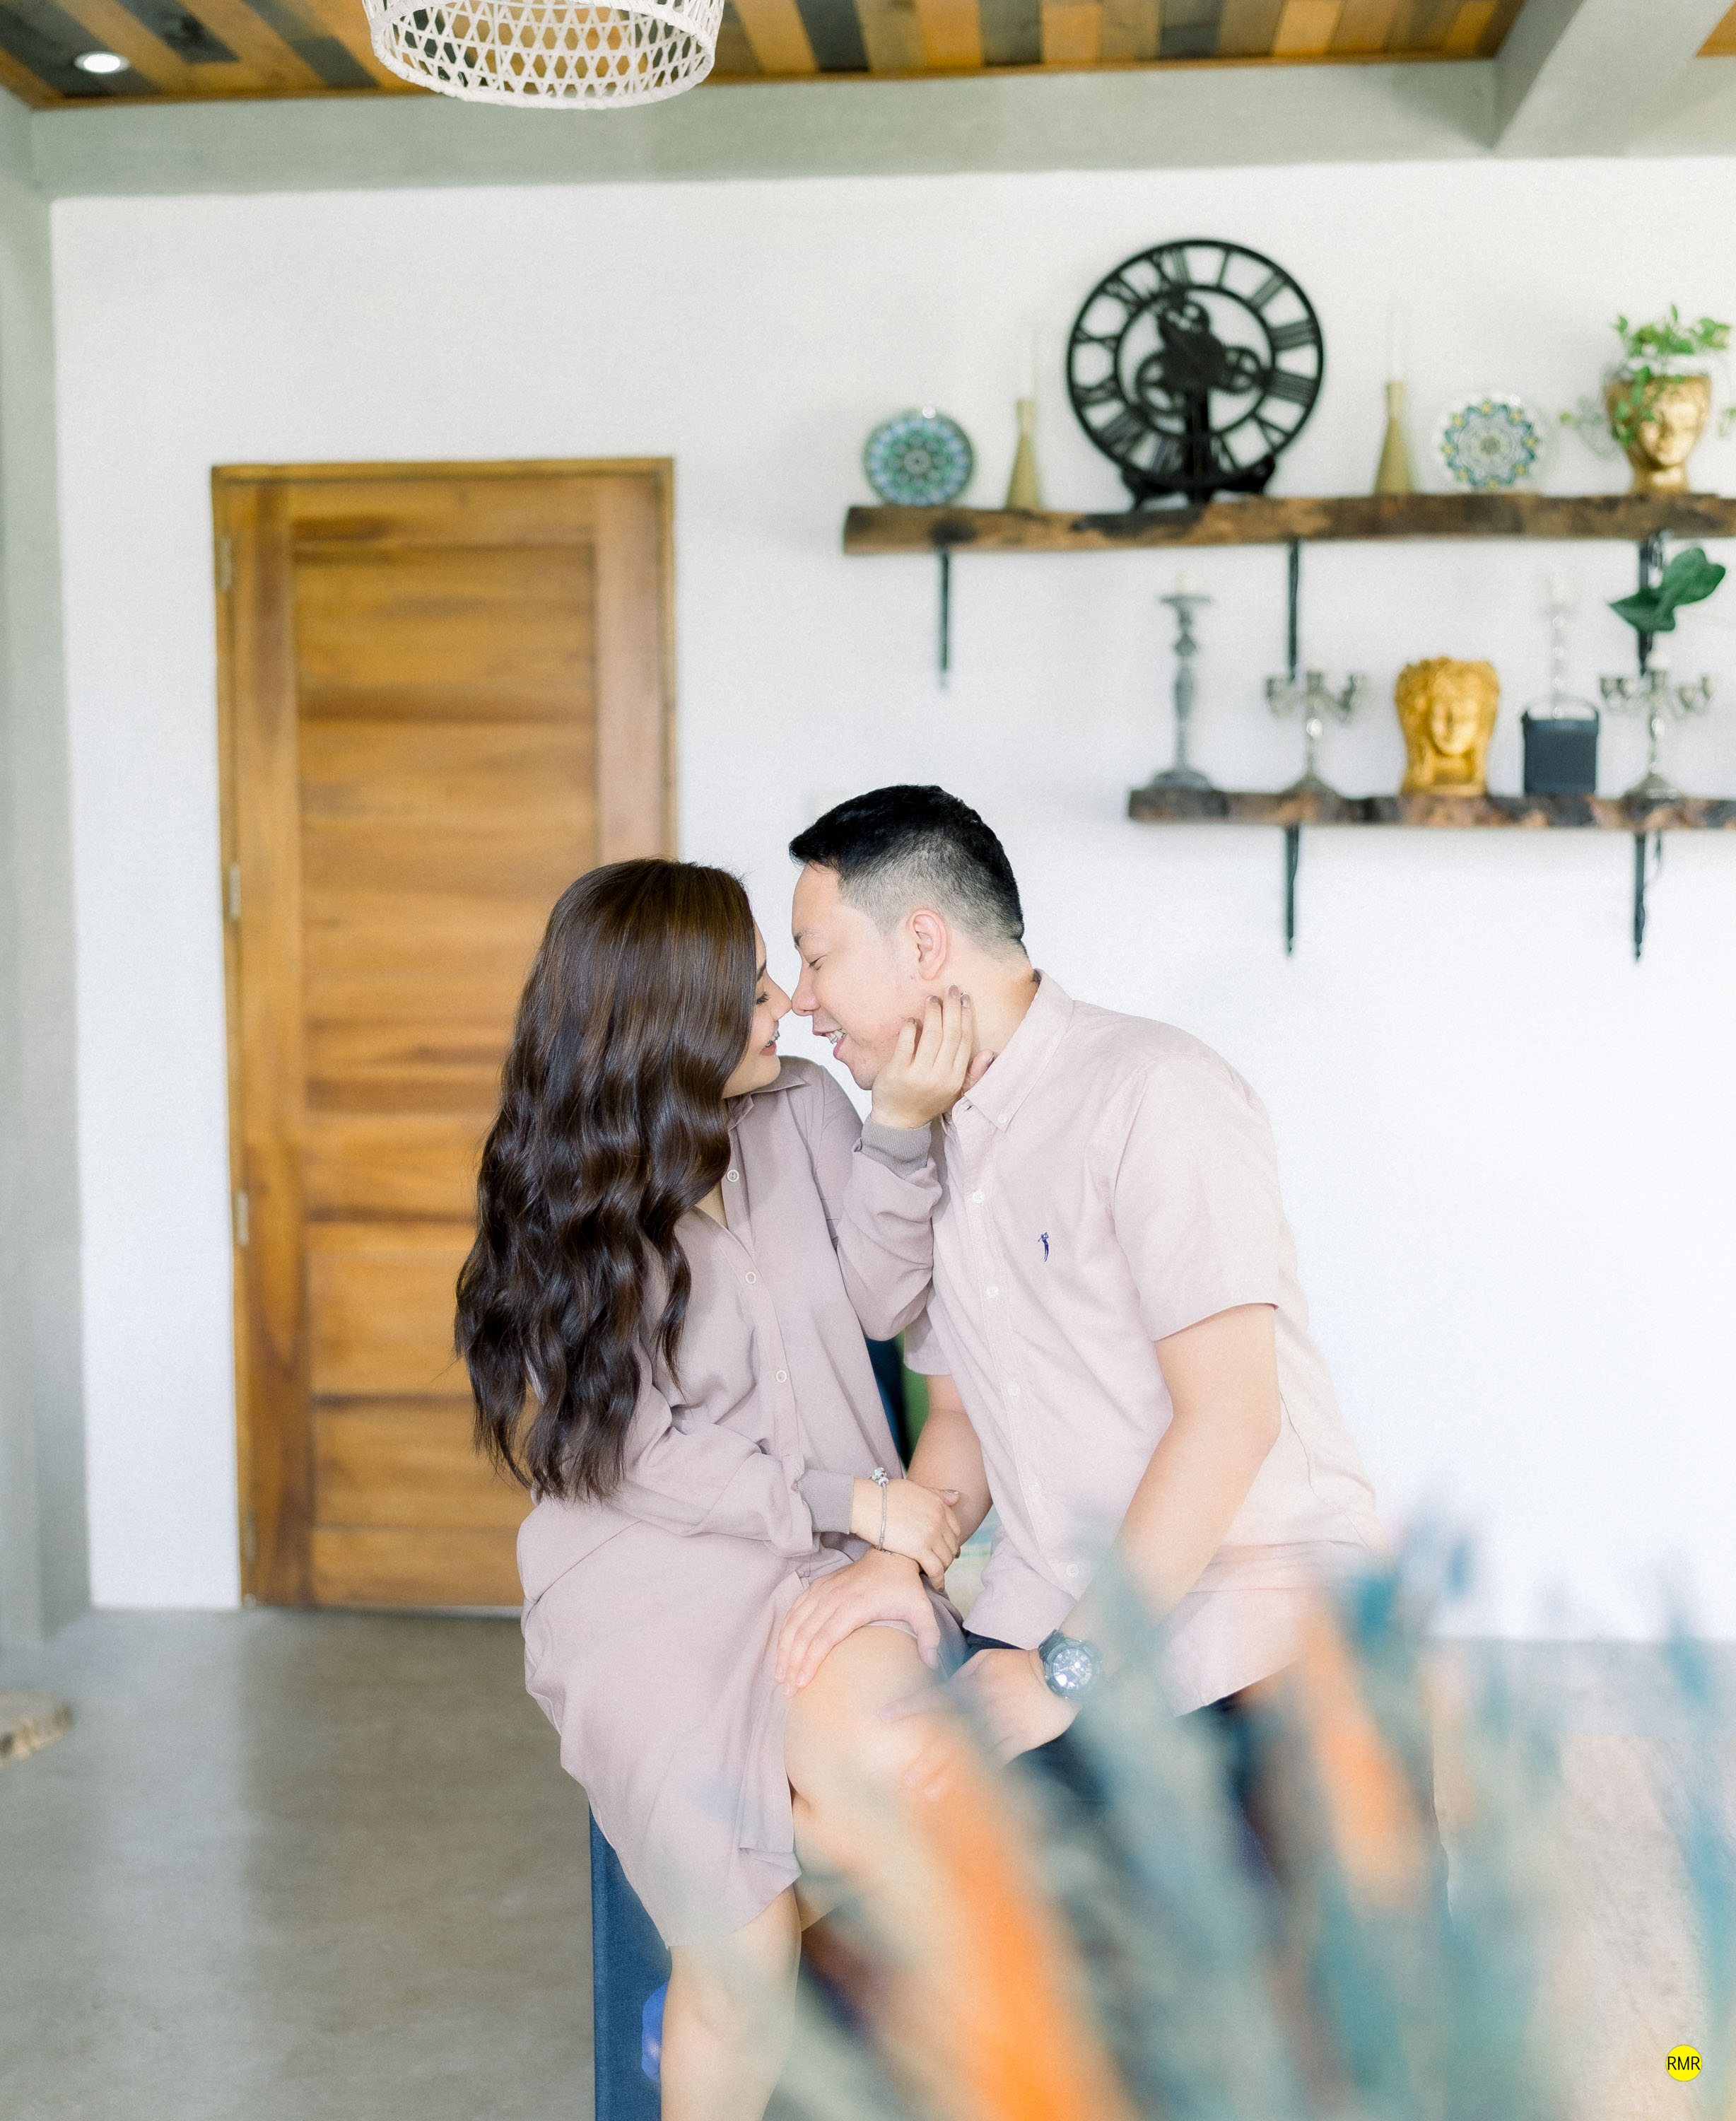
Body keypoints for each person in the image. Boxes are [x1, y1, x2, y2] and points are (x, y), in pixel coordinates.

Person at [455, 858, 984, 2121]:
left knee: (916, 1803)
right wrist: (862, 1504)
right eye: (749, 992)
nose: (784, 1007)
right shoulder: (572, 1200)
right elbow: (641, 1456)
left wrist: (899, 1132)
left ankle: (736, 1921)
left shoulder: (802, 1110)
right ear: (667, 1027)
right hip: (647, 1585)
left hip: (811, 1566)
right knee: (741, 1966)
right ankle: (728, 1958)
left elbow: (885, 1297)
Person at [774, 785, 1386, 1800]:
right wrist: (904, 1559)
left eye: (817, 956)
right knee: (872, 1815)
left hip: (1254, 1626)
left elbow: (1230, 1419)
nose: (801, 1000)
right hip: (1044, 1614)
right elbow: (960, 1417)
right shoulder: (924, 1142)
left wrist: (1069, 1671)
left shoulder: (1155, 1091)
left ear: (922, 943)